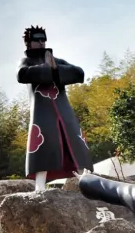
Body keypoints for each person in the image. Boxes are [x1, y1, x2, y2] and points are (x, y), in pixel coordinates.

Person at [17, 26, 93, 192]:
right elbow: (22, 75)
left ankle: (86, 182)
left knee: (74, 143)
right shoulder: (27, 61)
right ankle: (40, 186)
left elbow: (79, 73)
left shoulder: (56, 60)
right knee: (43, 146)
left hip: (64, 110)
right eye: (37, 39)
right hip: (42, 112)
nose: (41, 42)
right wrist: (48, 69)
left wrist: (56, 69)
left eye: (43, 39)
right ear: (29, 42)